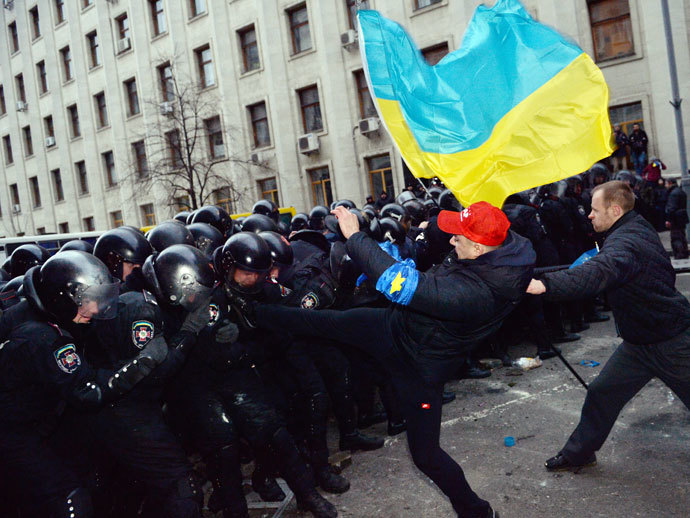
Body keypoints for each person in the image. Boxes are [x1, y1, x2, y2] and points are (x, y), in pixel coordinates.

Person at [252, 202, 536, 517]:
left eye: (460, 237)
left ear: (481, 248)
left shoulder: (471, 295)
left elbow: (396, 282)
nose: (452, 240)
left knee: (426, 455)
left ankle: (478, 513)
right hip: (397, 327)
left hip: (418, 367)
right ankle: (251, 314)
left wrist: (355, 238)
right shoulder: (502, 251)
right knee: (327, 322)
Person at [526, 180, 690, 472]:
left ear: (614, 210)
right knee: (602, 392)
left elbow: (600, 271)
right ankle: (580, 453)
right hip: (638, 345)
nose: (588, 215)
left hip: (672, 342)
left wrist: (543, 285)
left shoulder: (627, 241)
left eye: (594, 209)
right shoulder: (628, 228)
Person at [0, 251, 122, 517]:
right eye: (88, 301)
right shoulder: (45, 338)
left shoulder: (23, 314)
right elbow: (85, 392)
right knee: (70, 496)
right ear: (61, 298)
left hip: (28, 423)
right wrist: (138, 367)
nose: (96, 309)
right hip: (15, 433)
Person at [665, 178, 689, 259]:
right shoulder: (680, 191)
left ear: (670, 183)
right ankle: (684, 252)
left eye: (666, 183)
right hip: (681, 217)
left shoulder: (673, 194)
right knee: (682, 236)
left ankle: (680, 254)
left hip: (675, 219)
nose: (665, 185)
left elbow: (671, 208)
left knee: (676, 237)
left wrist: (668, 220)